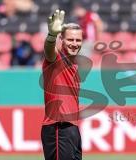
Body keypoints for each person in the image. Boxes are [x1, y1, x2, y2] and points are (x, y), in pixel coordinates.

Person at [41, 9, 82, 160]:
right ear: (61, 40)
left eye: (78, 40)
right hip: (58, 127)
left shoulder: (74, 64)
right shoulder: (56, 58)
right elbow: (49, 50)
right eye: (70, 39)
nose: (74, 43)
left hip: (72, 128)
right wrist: (51, 36)